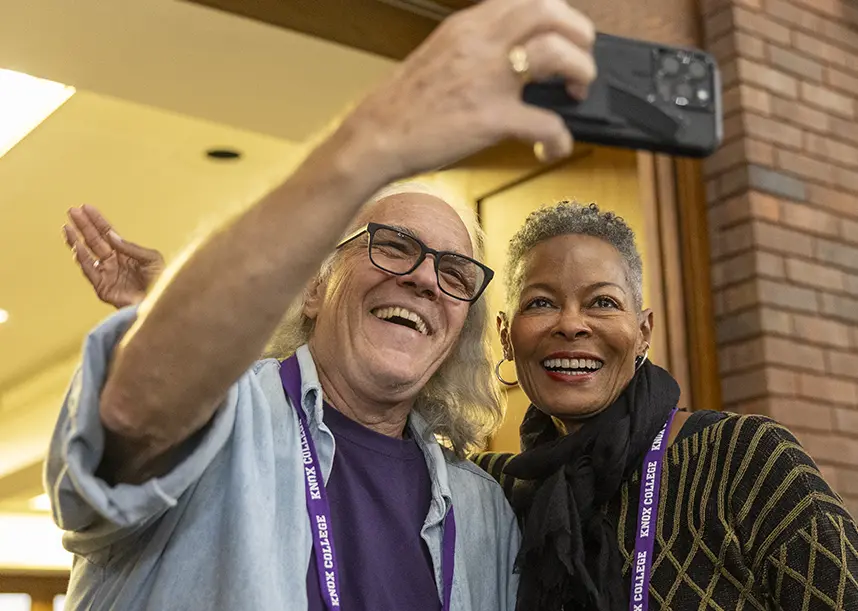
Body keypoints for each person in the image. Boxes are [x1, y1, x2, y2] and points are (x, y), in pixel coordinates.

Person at [47, 0, 598, 609]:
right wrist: (376, 139)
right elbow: (136, 409)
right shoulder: (226, 424)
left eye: (454, 271)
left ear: (461, 326)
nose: (423, 279)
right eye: (392, 246)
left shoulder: (482, 510)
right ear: (313, 288)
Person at [472, 201, 858, 611]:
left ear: (642, 332)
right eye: (540, 303)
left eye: (602, 302)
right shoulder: (494, 493)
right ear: (506, 335)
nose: (571, 324)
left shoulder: (744, 459)